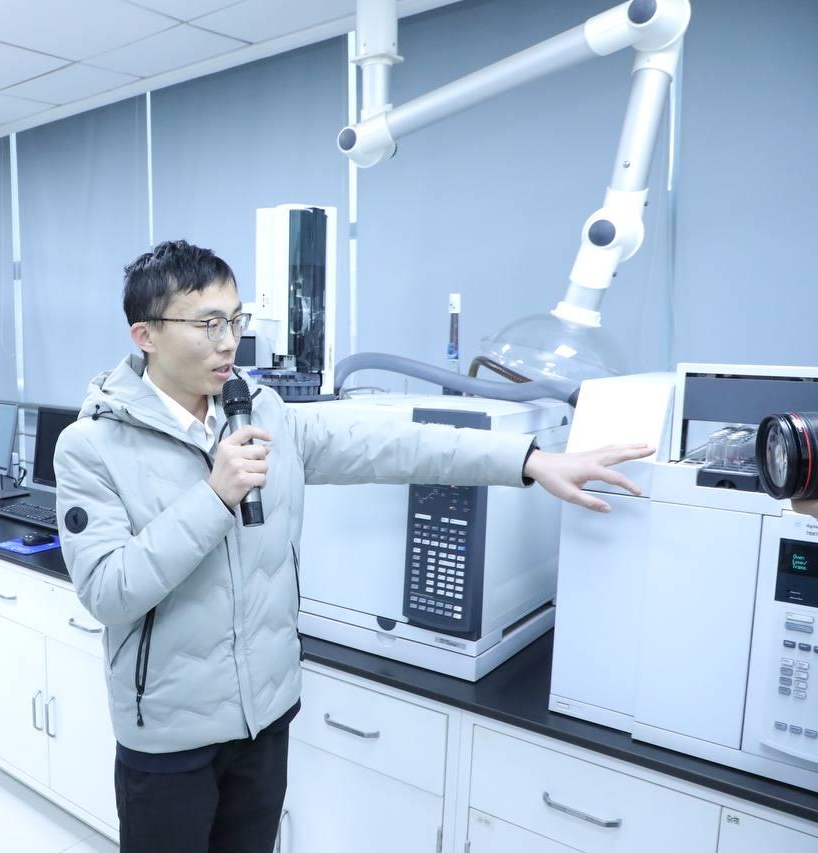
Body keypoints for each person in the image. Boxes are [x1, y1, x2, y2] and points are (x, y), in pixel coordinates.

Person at [53, 239, 652, 853]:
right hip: (169, 737)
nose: (229, 341)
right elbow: (108, 592)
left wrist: (529, 460)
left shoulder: (260, 412)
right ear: (146, 335)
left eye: (235, 319)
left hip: (265, 718)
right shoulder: (91, 446)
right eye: (208, 324)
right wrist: (214, 496)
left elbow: (393, 443)